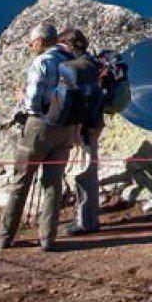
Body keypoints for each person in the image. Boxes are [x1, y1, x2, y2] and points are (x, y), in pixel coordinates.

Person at [0, 22, 77, 252]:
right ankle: (47, 237)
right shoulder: (70, 58)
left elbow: (32, 102)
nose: (30, 45)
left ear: (40, 41)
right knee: (53, 183)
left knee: (22, 180)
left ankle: (5, 235)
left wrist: (21, 96)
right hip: (66, 127)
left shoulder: (42, 62)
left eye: (31, 42)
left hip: (39, 127)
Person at [57, 28, 103, 236]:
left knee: (82, 173)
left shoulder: (75, 68)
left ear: (68, 45)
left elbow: (76, 101)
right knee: (89, 170)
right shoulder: (93, 63)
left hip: (82, 127)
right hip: (94, 123)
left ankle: (85, 222)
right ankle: (90, 218)